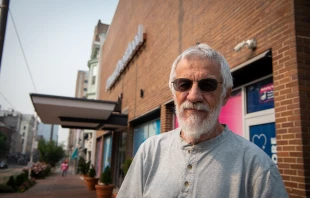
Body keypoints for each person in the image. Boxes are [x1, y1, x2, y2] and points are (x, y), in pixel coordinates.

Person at [117, 44, 288, 198]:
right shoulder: (150, 152)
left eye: (207, 85)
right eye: (183, 84)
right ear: (173, 93)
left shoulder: (257, 167)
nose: (193, 96)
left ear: (225, 95)